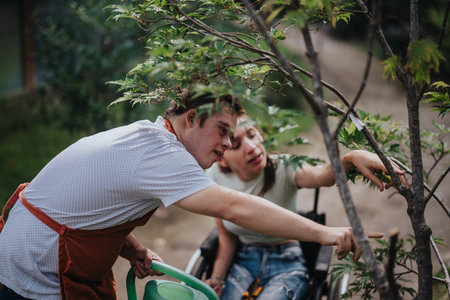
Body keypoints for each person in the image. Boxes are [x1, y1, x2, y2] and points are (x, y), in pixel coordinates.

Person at [0, 90, 384, 300]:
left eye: (234, 134)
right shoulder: (162, 154)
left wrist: (132, 249)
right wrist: (327, 233)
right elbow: (232, 206)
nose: (229, 143)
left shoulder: (145, 138)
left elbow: (91, 207)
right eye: (222, 130)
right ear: (191, 119)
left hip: (22, 248)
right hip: (34, 268)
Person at [204, 116, 406, 300]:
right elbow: (226, 237)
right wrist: (217, 278)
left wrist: (350, 159)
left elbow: (322, 175)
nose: (251, 147)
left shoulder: (283, 167)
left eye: (252, 135)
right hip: (243, 260)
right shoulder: (215, 179)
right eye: (236, 144)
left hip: (286, 262)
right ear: (221, 156)